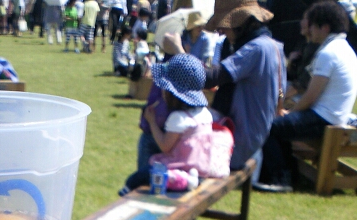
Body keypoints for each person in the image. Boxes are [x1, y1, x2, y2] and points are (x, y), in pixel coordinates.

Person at [164, 0, 285, 173]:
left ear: (241, 23)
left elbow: (209, 78)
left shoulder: (256, 49)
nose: (221, 31)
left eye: (225, 26)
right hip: (248, 136)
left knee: (162, 138)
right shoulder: (272, 46)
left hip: (235, 142)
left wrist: (178, 50)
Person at [258, 0, 357, 191]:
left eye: (312, 26)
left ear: (324, 27)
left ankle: (280, 179)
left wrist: (290, 112)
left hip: (323, 119)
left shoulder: (329, 52)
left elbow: (310, 96)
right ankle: (291, 174)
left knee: (268, 126)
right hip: (333, 116)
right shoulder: (343, 48)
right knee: (279, 126)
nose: (309, 30)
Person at [120, 54, 215, 192]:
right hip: (200, 170)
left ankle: (128, 194)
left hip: (180, 170)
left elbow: (165, 146)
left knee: (138, 177)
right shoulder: (205, 113)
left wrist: (152, 122)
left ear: (173, 93)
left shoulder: (178, 118)